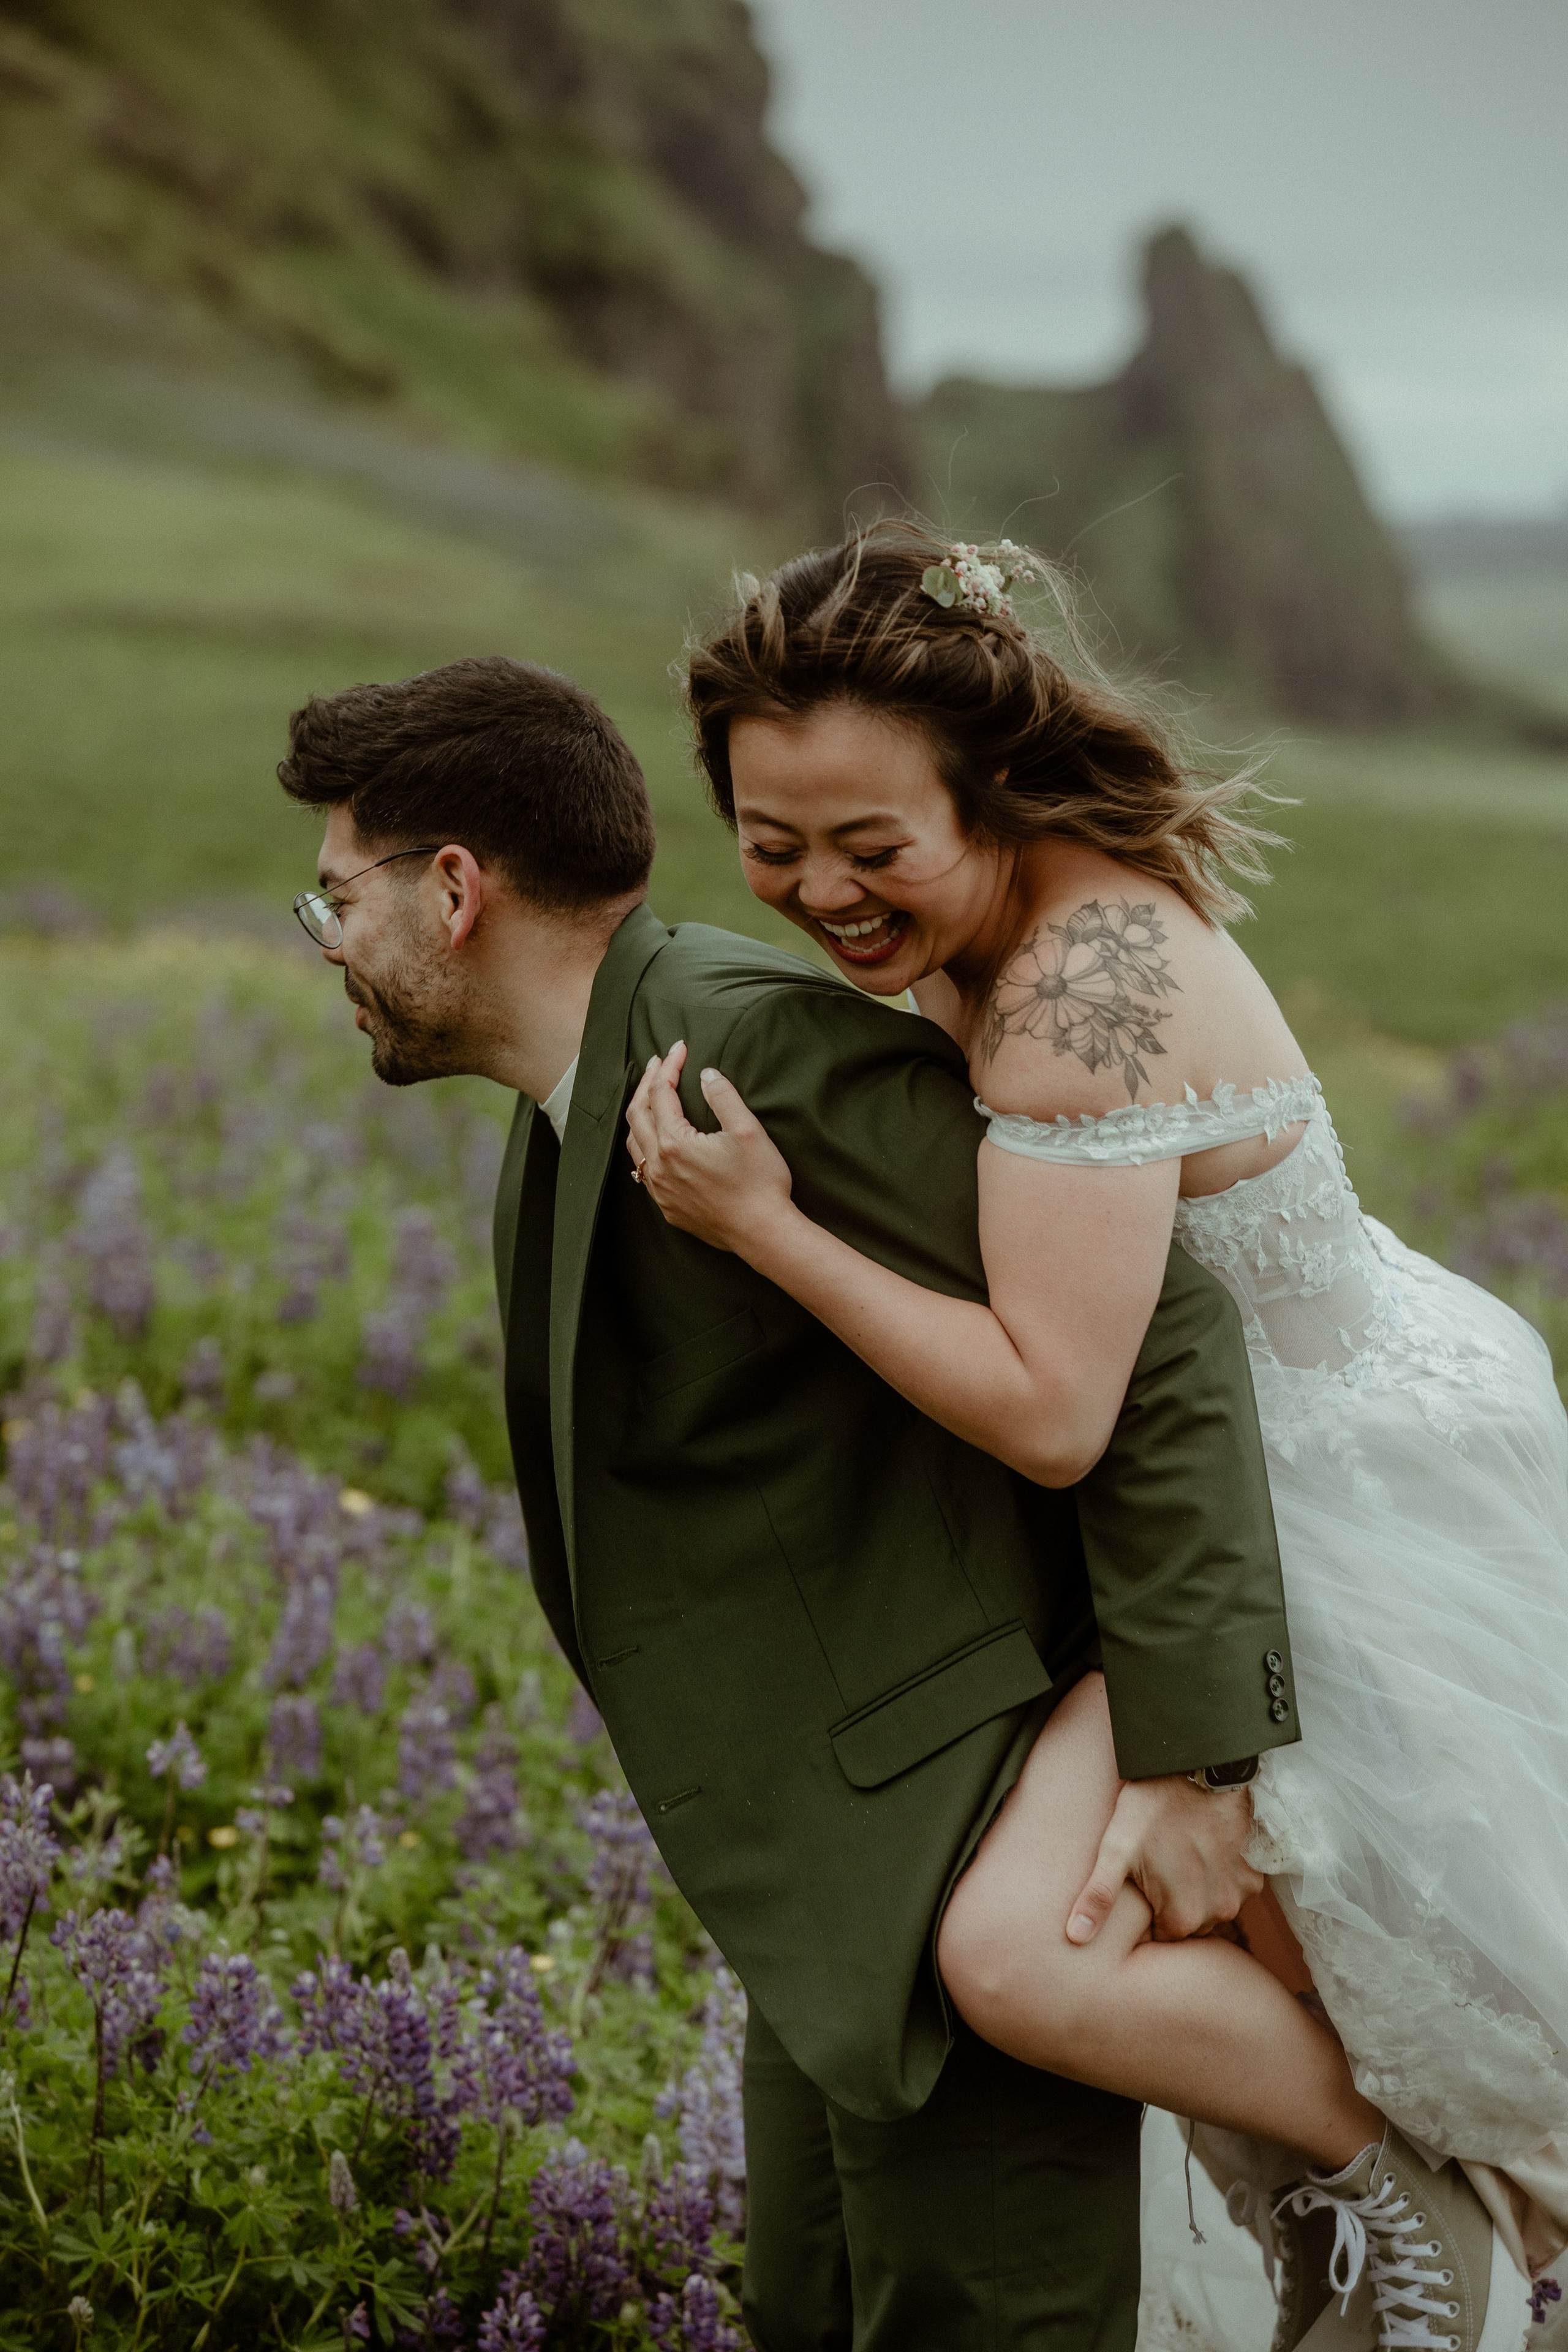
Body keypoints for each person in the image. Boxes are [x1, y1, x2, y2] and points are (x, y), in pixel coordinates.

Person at [277, 652, 1300, 2352]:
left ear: (453, 890)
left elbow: (1166, 1338)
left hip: (969, 1825)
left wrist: (1195, 1753)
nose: (327, 945)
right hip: (835, 1872)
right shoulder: (580, 1091)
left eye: (335, 900)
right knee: (811, 2310)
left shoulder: (746, 1048)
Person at [622, 523, 1568, 2349]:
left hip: (1322, 1497)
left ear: (986, 790)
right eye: (772, 842)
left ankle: (1409, 2206)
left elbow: (1057, 1414)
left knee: (1025, 1956)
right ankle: (1365, 2224)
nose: (822, 891)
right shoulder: (998, 921)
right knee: (1272, 1949)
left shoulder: (1080, 992)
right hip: (1234, 1476)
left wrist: (766, 1231)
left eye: (871, 843)